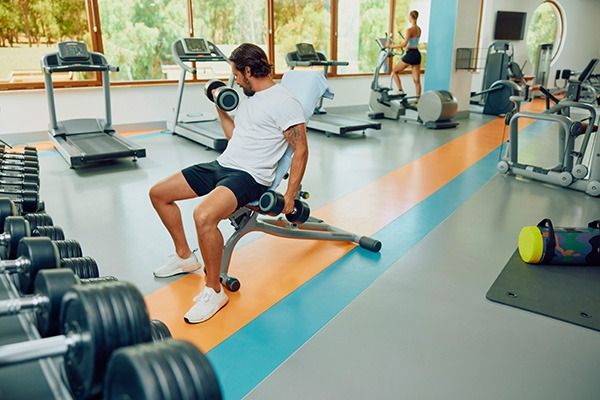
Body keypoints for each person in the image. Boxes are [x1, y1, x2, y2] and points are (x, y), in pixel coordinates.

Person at [149, 43, 308, 324]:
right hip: (223, 164)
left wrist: (290, 195)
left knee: (203, 215)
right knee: (159, 193)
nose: (235, 81)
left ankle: (214, 290)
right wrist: (219, 108)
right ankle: (185, 256)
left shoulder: (284, 102)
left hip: (250, 177)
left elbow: (301, 149)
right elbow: (235, 137)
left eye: (236, 74)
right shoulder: (251, 99)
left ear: (248, 71)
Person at [389, 10, 422, 97]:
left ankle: (400, 90)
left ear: (410, 17)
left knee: (394, 71)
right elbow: (412, 42)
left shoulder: (409, 30)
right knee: (417, 80)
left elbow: (404, 44)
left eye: (408, 16)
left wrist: (391, 46)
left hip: (411, 54)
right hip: (417, 54)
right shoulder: (419, 29)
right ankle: (418, 100)